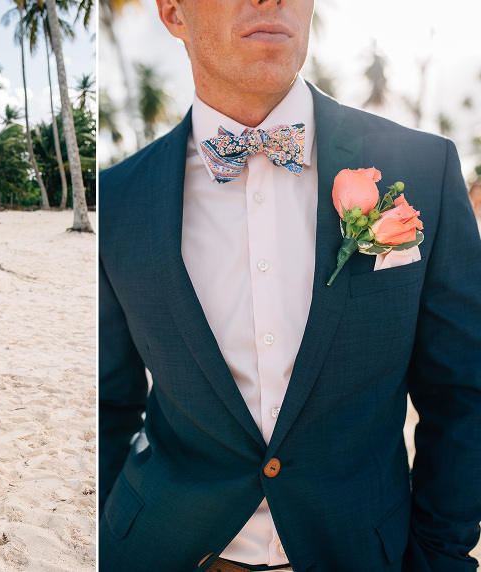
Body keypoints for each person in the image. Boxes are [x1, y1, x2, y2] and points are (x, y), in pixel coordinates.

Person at [98, 0, 481, 570]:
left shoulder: (425, 167)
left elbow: (463, 392)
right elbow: (109, 403)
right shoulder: (117, 199)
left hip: (363, 551)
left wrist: (441, 558)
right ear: (174, 13)